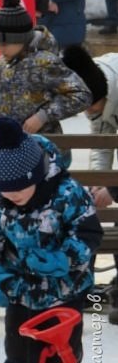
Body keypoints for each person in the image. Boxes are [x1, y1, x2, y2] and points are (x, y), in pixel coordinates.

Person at [0, 0, 92, 313]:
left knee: (37, 223)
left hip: (42, 159)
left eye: (5, 43)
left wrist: (43, 116)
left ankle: (48, 287)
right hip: (6, 156)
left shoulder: (45, 62)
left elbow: (81, 94)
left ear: (22, 38)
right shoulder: (2, 65)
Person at [0, 116, 103, 363]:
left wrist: (62, 259)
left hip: (64, 291)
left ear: (37, 175)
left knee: (60, 354)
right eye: (5, 188)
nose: (12, 194)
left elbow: (89, 233)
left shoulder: (68, 194)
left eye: (19, 187)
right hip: (18, 290)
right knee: (18, 353)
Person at [62, 43, 118, 325]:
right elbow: (102, 142)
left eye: (90, 109)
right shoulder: (99, 89)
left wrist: (113, 188)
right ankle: (83, 286)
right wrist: (99, 182)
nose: (87, 115)